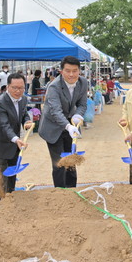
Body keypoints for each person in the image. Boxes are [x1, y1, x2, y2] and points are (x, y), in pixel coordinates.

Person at [38, 56, 88, 188]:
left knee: (71, 160)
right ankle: (60, 194)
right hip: (53, 126)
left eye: (75, 71)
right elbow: (55, 111)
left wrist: (78, 115)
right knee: (59, 163)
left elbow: (83, 104)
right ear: (61, 71)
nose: (71, 74)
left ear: (79, 71)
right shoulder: (54, 86)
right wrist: (68, 126)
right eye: (68, 71)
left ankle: (72, 192)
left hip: (70, 122)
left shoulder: (83, 82)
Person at [0, 73, 33, 200]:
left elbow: (23, 114)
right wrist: (16, 139)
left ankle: (11, 202)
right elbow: (4, 125)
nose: (18, 91)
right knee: (0, 180)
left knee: (12, 177)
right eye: (14, 88)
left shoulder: (23, 99)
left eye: (21, 88)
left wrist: (27, 121)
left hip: (14, 146)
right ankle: (0, 207)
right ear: (7, 87)